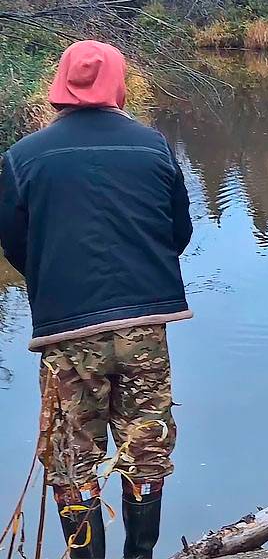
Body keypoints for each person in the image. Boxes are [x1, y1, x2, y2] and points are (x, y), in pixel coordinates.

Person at [0, 41, 193, 559]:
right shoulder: (154, 148)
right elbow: (178, 232)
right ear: (118, 84)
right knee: (145, 449)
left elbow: (16, 245)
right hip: (145, 326)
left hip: (67, 334)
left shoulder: (21, 159)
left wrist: (55, 280)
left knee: (72, 459)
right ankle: (141, 556)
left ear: (61, 85)